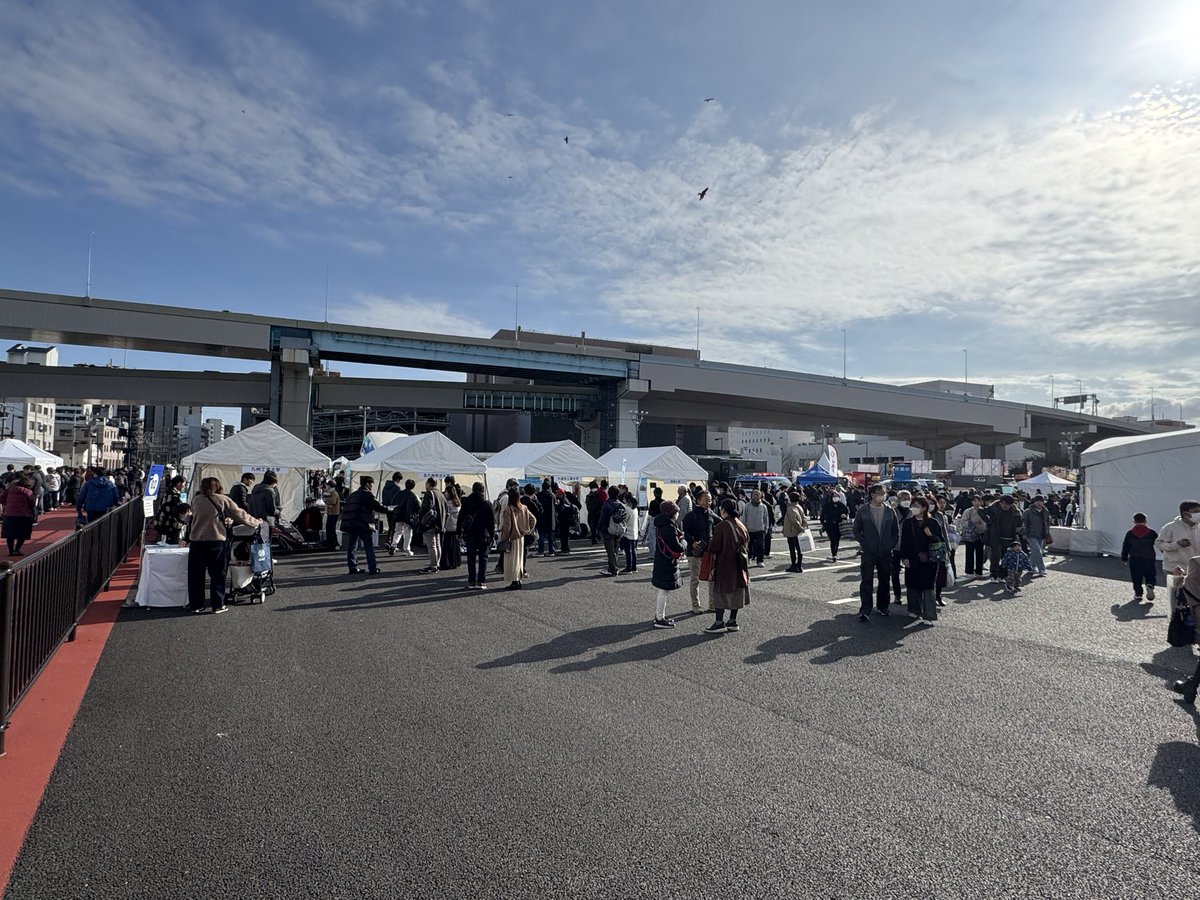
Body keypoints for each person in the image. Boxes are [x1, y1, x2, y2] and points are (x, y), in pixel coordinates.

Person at [186, 476, 260, 613]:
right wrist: (257, 522)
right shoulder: (222, 499)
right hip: (216, 540)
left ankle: (196, 605)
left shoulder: (196, 500)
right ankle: (217, 605)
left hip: (196, 542)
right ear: (218, 486)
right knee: (218, 574)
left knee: (196, 575)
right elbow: (241, 515)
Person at [852, 484, 899, 621]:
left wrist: (890, 545)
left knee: (884, 580)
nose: (883, 495)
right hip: (868, 552)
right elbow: (856, 529)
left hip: (885, 552)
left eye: (884, 493)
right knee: (866, 580)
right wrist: (864, 543)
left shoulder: (890, 511)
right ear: (872, 494)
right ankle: (865, 609)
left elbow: (895, 532)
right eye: (880, 493)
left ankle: (883, 606)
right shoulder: (863, 510)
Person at [704, 498, 751, 634]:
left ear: (723, 510)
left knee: (720, 592)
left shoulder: (723, 526)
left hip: (725, 563)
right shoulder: (740, 524)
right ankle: (732, 621)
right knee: (737, 591)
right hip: (740, 564)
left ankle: (719, 622)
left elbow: (715, 546)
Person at [897, 496, 944, 625]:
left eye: (917, 506)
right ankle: (914, 609)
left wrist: (930, 535)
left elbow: (940, 541)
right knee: (912, 584)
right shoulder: (907, 523)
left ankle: (929, 616)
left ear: (924, 508)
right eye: (913, 505)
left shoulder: (933, 522)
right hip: (912, 557)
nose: (914, 508)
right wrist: (904, 557)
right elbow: (904, 542)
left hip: (930, 559)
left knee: (928, 586)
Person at [1155, 501, 1200, 611]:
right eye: (1196, 511)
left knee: (1195, 597)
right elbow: (1159, 544)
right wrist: (1177, 544)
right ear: (1185, 514)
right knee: (1177, 598)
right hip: (1175, 569)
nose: (1199, 514)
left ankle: (1194, 621)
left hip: (1196, 568)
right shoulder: (1170, 527)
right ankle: (1176, 622)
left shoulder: (1198, 527)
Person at [340, 476, 388, 575]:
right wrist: (390, 509)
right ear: (367, 484)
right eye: (371, 485)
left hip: (351, 523)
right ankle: (372, 568)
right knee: (368, 546)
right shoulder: (367, 494)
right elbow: (378, 507)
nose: (372, 487)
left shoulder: (352, 495)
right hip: (363, 523)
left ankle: (352, 567)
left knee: (352, 546)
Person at [650, 500, 684, 628]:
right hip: (666, 561)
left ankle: (660, 616)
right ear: (671, 513)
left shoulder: (661, 523)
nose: (677, 514)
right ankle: (659, 618)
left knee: (662, 590)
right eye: (676, 512)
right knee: (663, 591)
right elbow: (677, 547)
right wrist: (684, 543)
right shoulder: (669, 527)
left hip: (661, 559)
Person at [682, 489, 717, 614]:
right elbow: (685, 532)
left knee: (712, 579)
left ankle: (712, 604)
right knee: (695, 579)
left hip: (709, 551)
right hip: (695, 552)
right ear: (698, 500)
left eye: (710, 500)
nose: (709, 502)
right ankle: (695, 605)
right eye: (706, 499)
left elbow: (721, 523)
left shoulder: (711, 514)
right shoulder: (691, 515)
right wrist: (692, 542)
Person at [459, 481, 495, 589]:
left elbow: (460, 518)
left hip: (470, 533)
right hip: (484, 534)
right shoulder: (487, 503)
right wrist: (492, 534)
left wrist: (459, 531)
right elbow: (491, 521)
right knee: (483, 557)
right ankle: (481, 581)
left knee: (471, 558)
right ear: (482, 490)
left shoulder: (466, 502)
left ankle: (471, 581)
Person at [499, 487, 536, 590]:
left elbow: (507, 526)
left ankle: (514, 581)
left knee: (512, 561)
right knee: (519, 560)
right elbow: (533, 519)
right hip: (521, 537)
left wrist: (504, 538)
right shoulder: (524, 507)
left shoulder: (508, 509)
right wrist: (528, 530)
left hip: (512, 538)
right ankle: (518, 580)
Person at [1120, 513, 1159, 603]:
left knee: (1136, 576)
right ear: (1145, 521)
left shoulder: (1130, 533)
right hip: (1149, 558)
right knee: (1150, 574)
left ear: (1134, 521)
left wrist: (1124, 558)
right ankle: (1150, 584)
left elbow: (1125, 546)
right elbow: (1159, 544)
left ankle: (1138, 594)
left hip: (1135, 558)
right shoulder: (1151, 533)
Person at [985, 495, 1023, 583]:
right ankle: (994, 575)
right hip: (996, 536)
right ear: (1000, 502)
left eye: (1008, 504)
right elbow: (981, 511)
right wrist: (988, 522)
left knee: (1006, 558)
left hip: (1010, 537)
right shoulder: (993, 509)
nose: (1005, 506)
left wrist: (1019, 528)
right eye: (1003, 503)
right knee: (996, 556)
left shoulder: (1015, 511)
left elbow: (1020, 522)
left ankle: (1002, 575)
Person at [418, 477, 450, 574]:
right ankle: (437, 563)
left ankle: (433, 565)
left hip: (430, 523)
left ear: (429, 484)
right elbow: (447, 510)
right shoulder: (442, 494)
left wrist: (420, 516)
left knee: (431, 545)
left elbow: (425, 508)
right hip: (440, 524)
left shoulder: (429, 494)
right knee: (437, 544)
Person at [2, 476, 36, 556]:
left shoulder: (9, 490)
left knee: (10, 534)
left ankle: (10, 550)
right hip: (23, 514)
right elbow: (32, 503)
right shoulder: (28, 491)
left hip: (9, 514)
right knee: (22, 533)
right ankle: (17, 549)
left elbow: (2, 499)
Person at [596, 488, 626, 577]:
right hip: (619, 530)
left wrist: (599, 528)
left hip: (608, 530)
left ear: (609, 494)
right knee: (615, 550)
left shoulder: (606, 504)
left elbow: (603, 518)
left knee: (610, 551)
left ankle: (613, 570)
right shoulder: (621, 505)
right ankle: (612, 568)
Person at [957, 495, 988, 579]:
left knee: (980, 553)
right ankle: (969, 571)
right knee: (969, 553)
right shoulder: (968, 511)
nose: (977, 503)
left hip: (981, 533)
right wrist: (972, 523)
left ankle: (978, 571)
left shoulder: (984, 511)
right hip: (970, 534)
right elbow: (963, 522)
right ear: (972, 502)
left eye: (978, 501)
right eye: (974, 501)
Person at [387, 478, 420, 557]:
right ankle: (406, 550)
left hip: (398, 515)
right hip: (407, 517)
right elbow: (418, 506)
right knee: (408, 533)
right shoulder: (413, 495)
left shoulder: (399, 493)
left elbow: (393, 502)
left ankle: (393, 545)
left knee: (398, 531)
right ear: (413, 487)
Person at [1022, 495, 1053, 577]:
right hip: (1031, 534)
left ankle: (1031, 567)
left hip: (1042, 534)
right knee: (1038, 551)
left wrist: (1047, 533)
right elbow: (1024, 523)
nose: (1039, 503)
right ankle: (1042, 569)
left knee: (1034, 552)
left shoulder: (1045, 511)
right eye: (1037, 501)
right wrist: (1024, 533)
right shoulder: (1028, 512)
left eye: (1041, 501)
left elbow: (1047, 523)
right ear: (1034, 502)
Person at [153, 476, 188, 544]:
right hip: (171, 525)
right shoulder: (174, 495)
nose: (184, 486)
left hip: (164, 522)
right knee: (172, 543)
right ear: (179, 484)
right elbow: (175, 511)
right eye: (183, 484)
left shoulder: (168, 492)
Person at [781, 491, 809, 573]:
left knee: (792, 549)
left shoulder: (790, 508)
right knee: (800, 549)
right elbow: (804, 518)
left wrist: (800, 528)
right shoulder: (799, 506)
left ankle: (794, 565)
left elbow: (794, 521)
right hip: (799, 531)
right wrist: (803, 527)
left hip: (791, 531)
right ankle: (799, 565)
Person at [742, 490, 770, 567]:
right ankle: (749, 557)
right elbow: (744, 517)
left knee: (760, 546)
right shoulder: (747, 505)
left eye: (758, 495)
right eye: (754, 494)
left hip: (760, 530)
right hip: (749, 529)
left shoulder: (763, 506)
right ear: (752, 496)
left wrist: (766, 528)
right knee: (749, 545)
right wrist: (743, 528)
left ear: (761, 496)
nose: (756, 496)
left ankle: (760, 561)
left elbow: (766, 519)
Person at [440, 479, 463, 570]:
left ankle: (447, 563)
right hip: (456, 525)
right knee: (455, 545)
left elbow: (445, 514)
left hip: (449, 525)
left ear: (449, 493)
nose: (445, 493)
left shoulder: (448, 503)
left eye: (446, 492)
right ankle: (455, 562)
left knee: (447, 545)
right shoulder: (458, 502)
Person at [821, 490, 850, 561]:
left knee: (837, 539)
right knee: (832, 540)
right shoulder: (827, 505)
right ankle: (834, 554)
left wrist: (844, 515)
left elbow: (846, 512)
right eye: (834, 496)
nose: (835, 498)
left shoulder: (841, 505)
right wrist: (823, 524)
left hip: (839, 525)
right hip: (830, 525)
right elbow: (822, 515)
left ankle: (835, 553)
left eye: (837, 496)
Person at [619, 490, 640, 573]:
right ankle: (634, 567)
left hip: (627, 532)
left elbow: (624, 519)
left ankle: (628, 568)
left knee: (628, 551)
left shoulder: (626, 508)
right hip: (634, 532)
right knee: (633, 551)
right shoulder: (635, 508)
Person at [555, 487, 580, 554]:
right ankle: (565, 549)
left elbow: (561, 509)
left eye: (559, 494)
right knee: (565, 536)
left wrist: (557, 506)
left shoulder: (563, 501)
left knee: (564, 536)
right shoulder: (566, 500)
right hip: (566, 521)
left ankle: (565, 549)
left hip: (564, 521)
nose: (558, 496)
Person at [536, 479, 557, 555]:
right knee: (551, 536)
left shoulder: (539, 495)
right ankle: (551, 551)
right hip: (551, 519)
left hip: (542, 518)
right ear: (549, 487)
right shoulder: (553, 496)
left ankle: (541, 551)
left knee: (541, 535)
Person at [322, 481, 341, 548]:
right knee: (329, 528)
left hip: (334, 513)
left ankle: (334, 543)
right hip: (331, 513)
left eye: (327, 485)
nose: (326, 486)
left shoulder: (334, 493)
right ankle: (330, 541)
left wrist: (326, 499)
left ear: (330, 486)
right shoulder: (330, 493)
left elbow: (333, 501)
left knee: (331, 528)